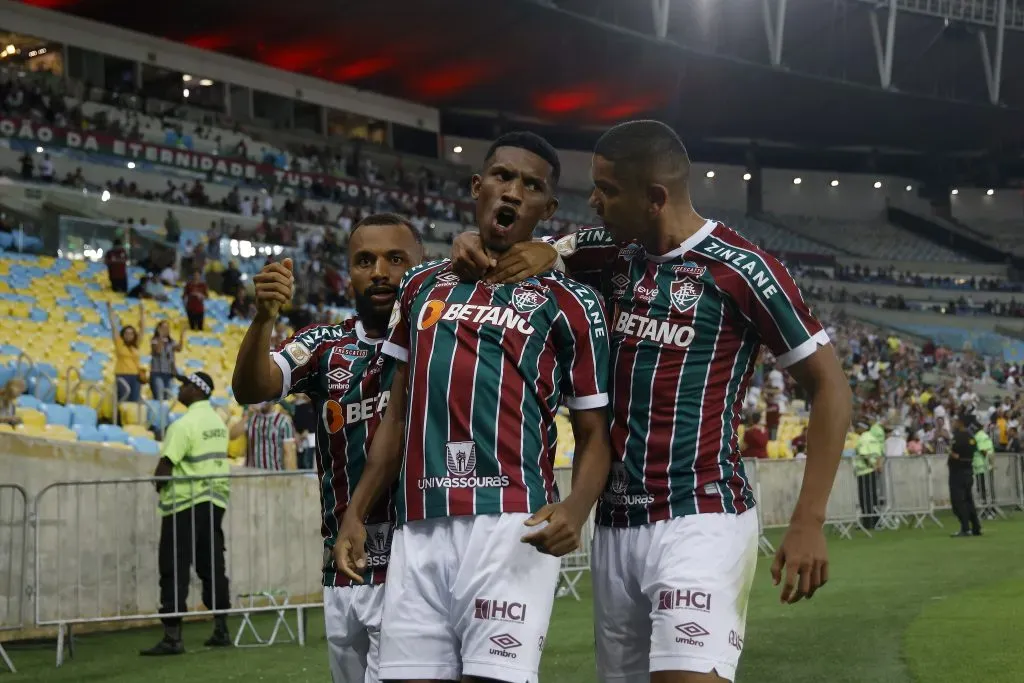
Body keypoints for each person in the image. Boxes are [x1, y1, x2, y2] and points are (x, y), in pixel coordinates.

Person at [452, 120, 852, 683]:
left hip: (700, 515)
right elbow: (512, 255)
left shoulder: (743, 271)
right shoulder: (602, 253)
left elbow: (829, 385)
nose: (592, 201)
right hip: (614, 527)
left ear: (655, 198)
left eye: (607, 190)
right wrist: (470, 245)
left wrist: (809, 518)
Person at [335, 132, 613, 683]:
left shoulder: (572, 302)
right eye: (503, 177)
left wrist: (577, 509)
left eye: (531, 186)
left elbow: (594, 433)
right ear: (477, 186)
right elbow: (397, 414)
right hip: (419, 527)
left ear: (547, 209)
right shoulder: (420, 285)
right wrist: (357, 510)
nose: (513, 192)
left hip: (511, 525)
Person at [231, 212, 424, 683]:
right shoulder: (324, 345)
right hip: (345, 566)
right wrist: (264, 318)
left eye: (395, 259)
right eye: (365, 260)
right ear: (349, 272)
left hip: (416, 563)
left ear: (421, 267)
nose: (380, 271)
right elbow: (253, 387)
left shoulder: (440, 339)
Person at [140, 371, 232, 655]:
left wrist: (158, 485)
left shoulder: (183, 425)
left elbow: (165, 468)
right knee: (212, 565)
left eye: (185, 385)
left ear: (197, 390)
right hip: (214, 502)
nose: (180, 389)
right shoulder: (218, 423)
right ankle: (221, 629)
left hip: (183, 504)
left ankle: (172, 636)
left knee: (174, 567)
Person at [231, 402, 297, 471]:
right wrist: (247, 415)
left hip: (273, 475)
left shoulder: (283, 421)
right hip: (252, 474)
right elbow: (232, 435)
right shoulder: (251, 418)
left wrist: (290, 478)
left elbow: (289, 454)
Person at [949, 415, 982, 537]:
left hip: (957, 472)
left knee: (958, 502)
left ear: (961, 423)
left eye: (956, 421)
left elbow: (956, 455)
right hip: (968, 471)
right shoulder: (972, 437)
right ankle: (976, 527)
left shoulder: (958, 437)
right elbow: (973, 451)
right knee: (968, 500)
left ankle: (965, 528)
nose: (954, 423)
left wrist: (949, 452)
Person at [107, 301, 145, 403]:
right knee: (123, 398)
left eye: (131, 333)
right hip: (122, 375)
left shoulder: (136, 345)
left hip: (136, 376)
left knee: (134, 400)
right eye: (127, 333)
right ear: (123, 335)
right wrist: (110, 309)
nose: (129, 335)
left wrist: (142, 312)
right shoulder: (119, 343)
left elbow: (142, 328)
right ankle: (119, 418)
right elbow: (113, 325)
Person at [854, 421, 883, 530]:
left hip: (864, 471)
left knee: (865, 498)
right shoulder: (874, 438)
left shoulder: (863, 439)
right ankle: (876, 521)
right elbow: (879, 453)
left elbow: (864, 454)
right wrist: (877, 466)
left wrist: (871, 466)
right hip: (872, 470)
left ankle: (867, 523)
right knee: (873, 497)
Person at [150, 320, 184, 400]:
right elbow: (158, 351)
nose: (166, 330)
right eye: (164, 327)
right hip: (157, 373)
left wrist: (182, 336)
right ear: (158, 329)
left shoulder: (171, 342)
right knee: (159, 396)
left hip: (169, 374)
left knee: (167, 398)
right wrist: (161, 337)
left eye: (167, 328)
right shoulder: (154, 340)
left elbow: (179, 349)